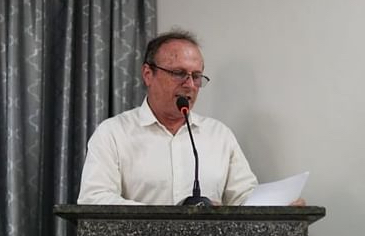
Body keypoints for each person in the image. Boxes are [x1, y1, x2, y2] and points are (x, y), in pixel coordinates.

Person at [77, 30, 258, 205]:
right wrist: (164, 218)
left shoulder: (219, 135)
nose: (190, 85)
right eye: (178, 73)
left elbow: (247, 198)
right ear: (148, 74)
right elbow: (94, 198)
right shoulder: (113, 133)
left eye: (196, 76)